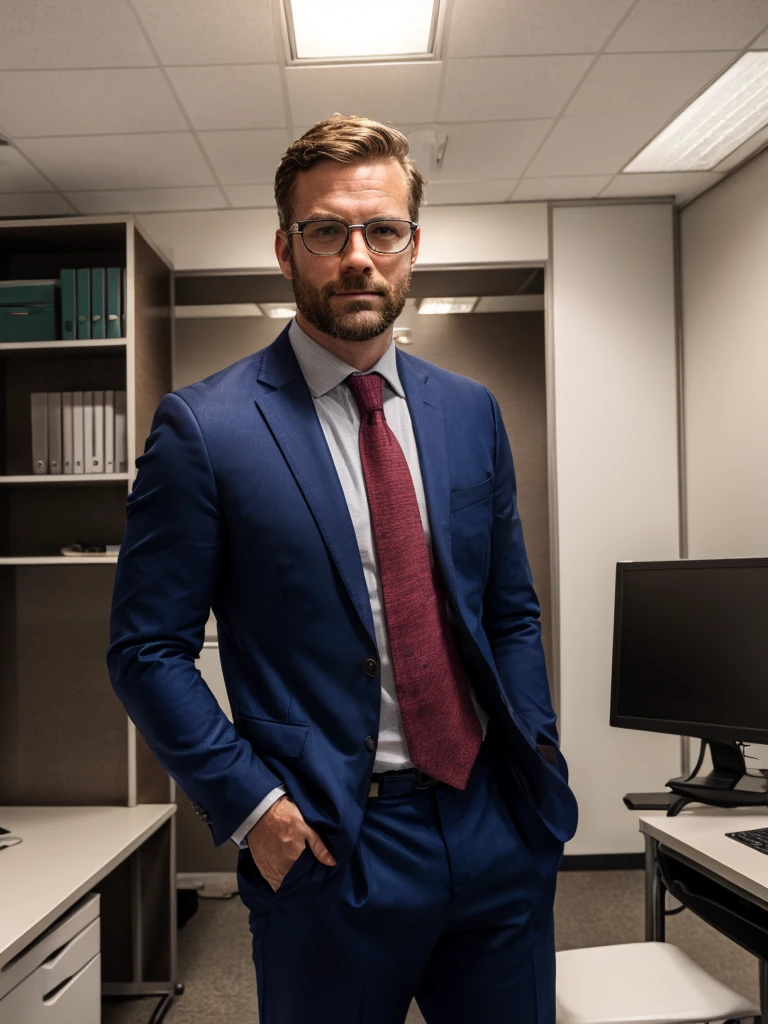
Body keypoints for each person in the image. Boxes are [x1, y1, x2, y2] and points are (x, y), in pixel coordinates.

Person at [107, 113, 578, 1024]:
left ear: (412, 246)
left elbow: (510, 612)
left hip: (491, 823)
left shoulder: (469, 413)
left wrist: (540, 755)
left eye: (383, 231)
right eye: (327, 231)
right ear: (286, 250)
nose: (357, 255)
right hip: (329, 844)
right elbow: (146, 652)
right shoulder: (206, 430)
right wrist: (257, 812)